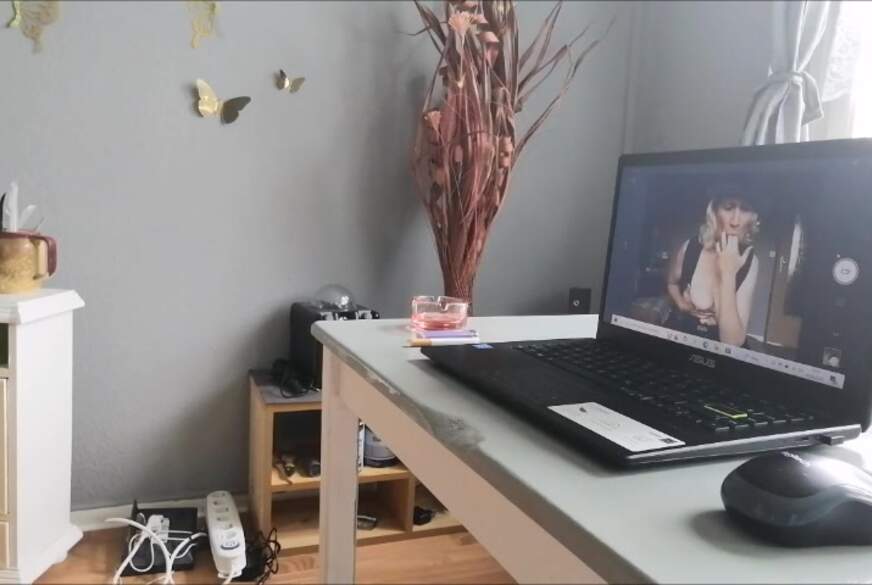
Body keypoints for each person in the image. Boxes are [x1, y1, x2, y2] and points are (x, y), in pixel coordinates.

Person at [666, 191, 760, 346]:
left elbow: (733, 342)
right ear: (715, 212)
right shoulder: (690, 247)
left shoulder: (750, 262)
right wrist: (682, 304)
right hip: (681, 339)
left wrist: (728, 273)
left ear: (752, 217)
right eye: (728, 208)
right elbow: (672, 283)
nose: (735, 221)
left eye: (745, 210)